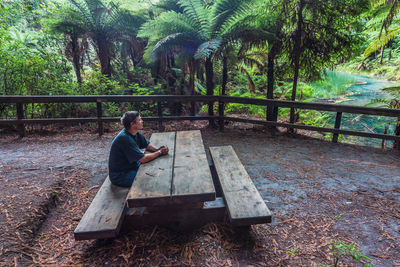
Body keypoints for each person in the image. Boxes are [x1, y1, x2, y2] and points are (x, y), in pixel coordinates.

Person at [108, 111, 169, 187]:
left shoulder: (135, 132)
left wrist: (157, 149)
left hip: (132, 167)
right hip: (121, 175)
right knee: (151, 179)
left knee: (156, 169)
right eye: (139, 120)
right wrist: (160, 152)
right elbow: (143, 159)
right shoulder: (124, 138)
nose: (142, 121)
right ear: (132, 124)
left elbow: (146, 144)